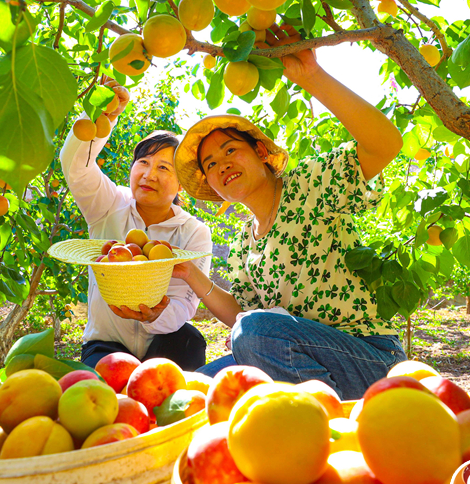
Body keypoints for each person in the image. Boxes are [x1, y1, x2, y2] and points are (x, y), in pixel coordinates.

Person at [170, 25, 407, 399]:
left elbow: (385, 145)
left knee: (253, 333)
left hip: (369, 357)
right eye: (211, 164)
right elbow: (241, 315)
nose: (222, 164)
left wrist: (312, 77)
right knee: (194, 386)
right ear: (213, 187)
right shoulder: (245, 243)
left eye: (230, 150)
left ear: (261, 153)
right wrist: (188, 273)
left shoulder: (308, 186)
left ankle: (324, 419)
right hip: (300, 357)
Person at [60, 79, 212, 371]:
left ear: (181, 183)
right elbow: (75, 166)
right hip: (105, 344)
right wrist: (101, 117)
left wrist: (155, 316)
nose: (149, 175)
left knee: (190, 340)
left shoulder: (194, 232)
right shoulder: (108, 205)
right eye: (143, 162)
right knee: (104, 389)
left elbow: (185, 302)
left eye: (164, 167)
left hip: (166, 340)